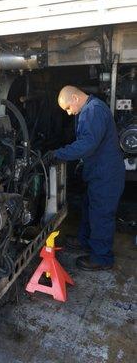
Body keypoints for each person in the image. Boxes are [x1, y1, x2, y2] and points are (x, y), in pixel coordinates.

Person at [44, 86, 125, 271]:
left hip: (106, 175)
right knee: (90, 207)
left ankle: (102, 258)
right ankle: (85, 241)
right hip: (99, 172)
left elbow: (87, 145)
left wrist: (59, 153)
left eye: (68, 108)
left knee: (101, 215)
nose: (69, 113)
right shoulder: (92, 108)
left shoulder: (93, 110)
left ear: (74, 97)